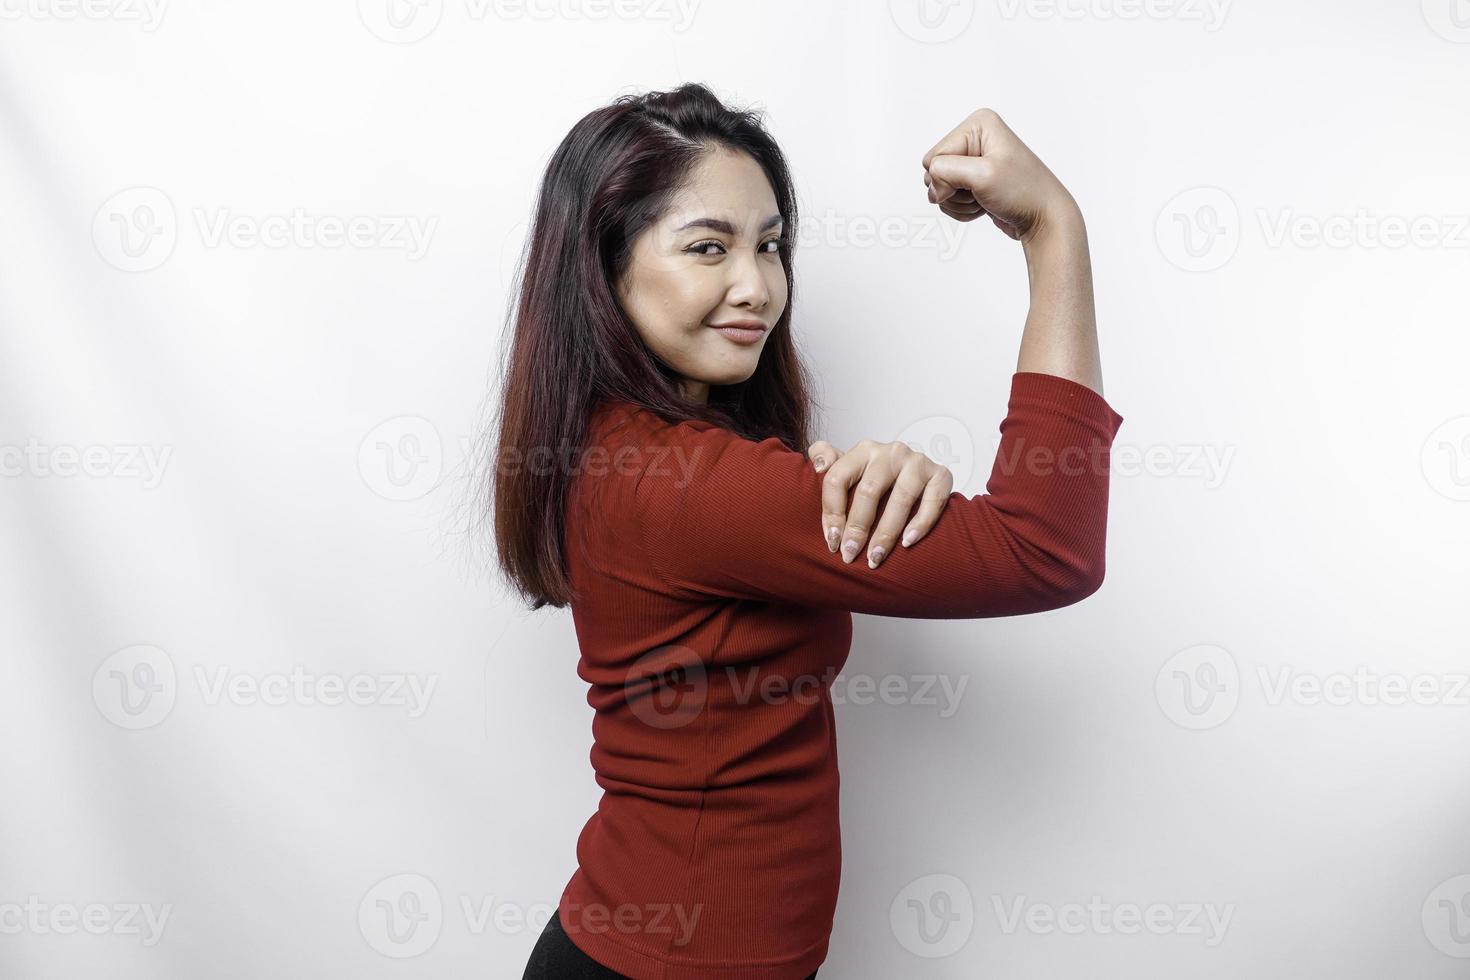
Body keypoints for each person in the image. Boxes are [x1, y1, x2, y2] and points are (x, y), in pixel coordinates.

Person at [488, 82, 1123, 980]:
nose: (757, 287)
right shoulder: (681, 487)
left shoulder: (635, 453)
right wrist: (1054, 231)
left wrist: (892, 486)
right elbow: (1045, 548)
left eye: (771, 246)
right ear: (605, 266)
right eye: (708, 248)